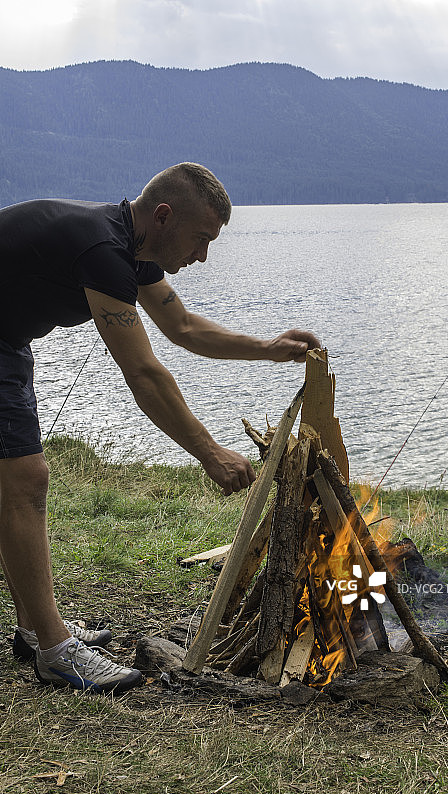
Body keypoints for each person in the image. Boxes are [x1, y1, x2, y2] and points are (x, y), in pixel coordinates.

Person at [0, 162, 320, 694]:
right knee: (25, 479)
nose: (202, 256)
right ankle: (56, 651)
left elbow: (184, 327)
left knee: (16, 481)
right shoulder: (102, 250)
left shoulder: (131, 247)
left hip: (7, 342)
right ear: (165, 216)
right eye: (200, 239)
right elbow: (143, 374)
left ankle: (35, 631)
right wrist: (209, 451)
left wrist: (268, 349)